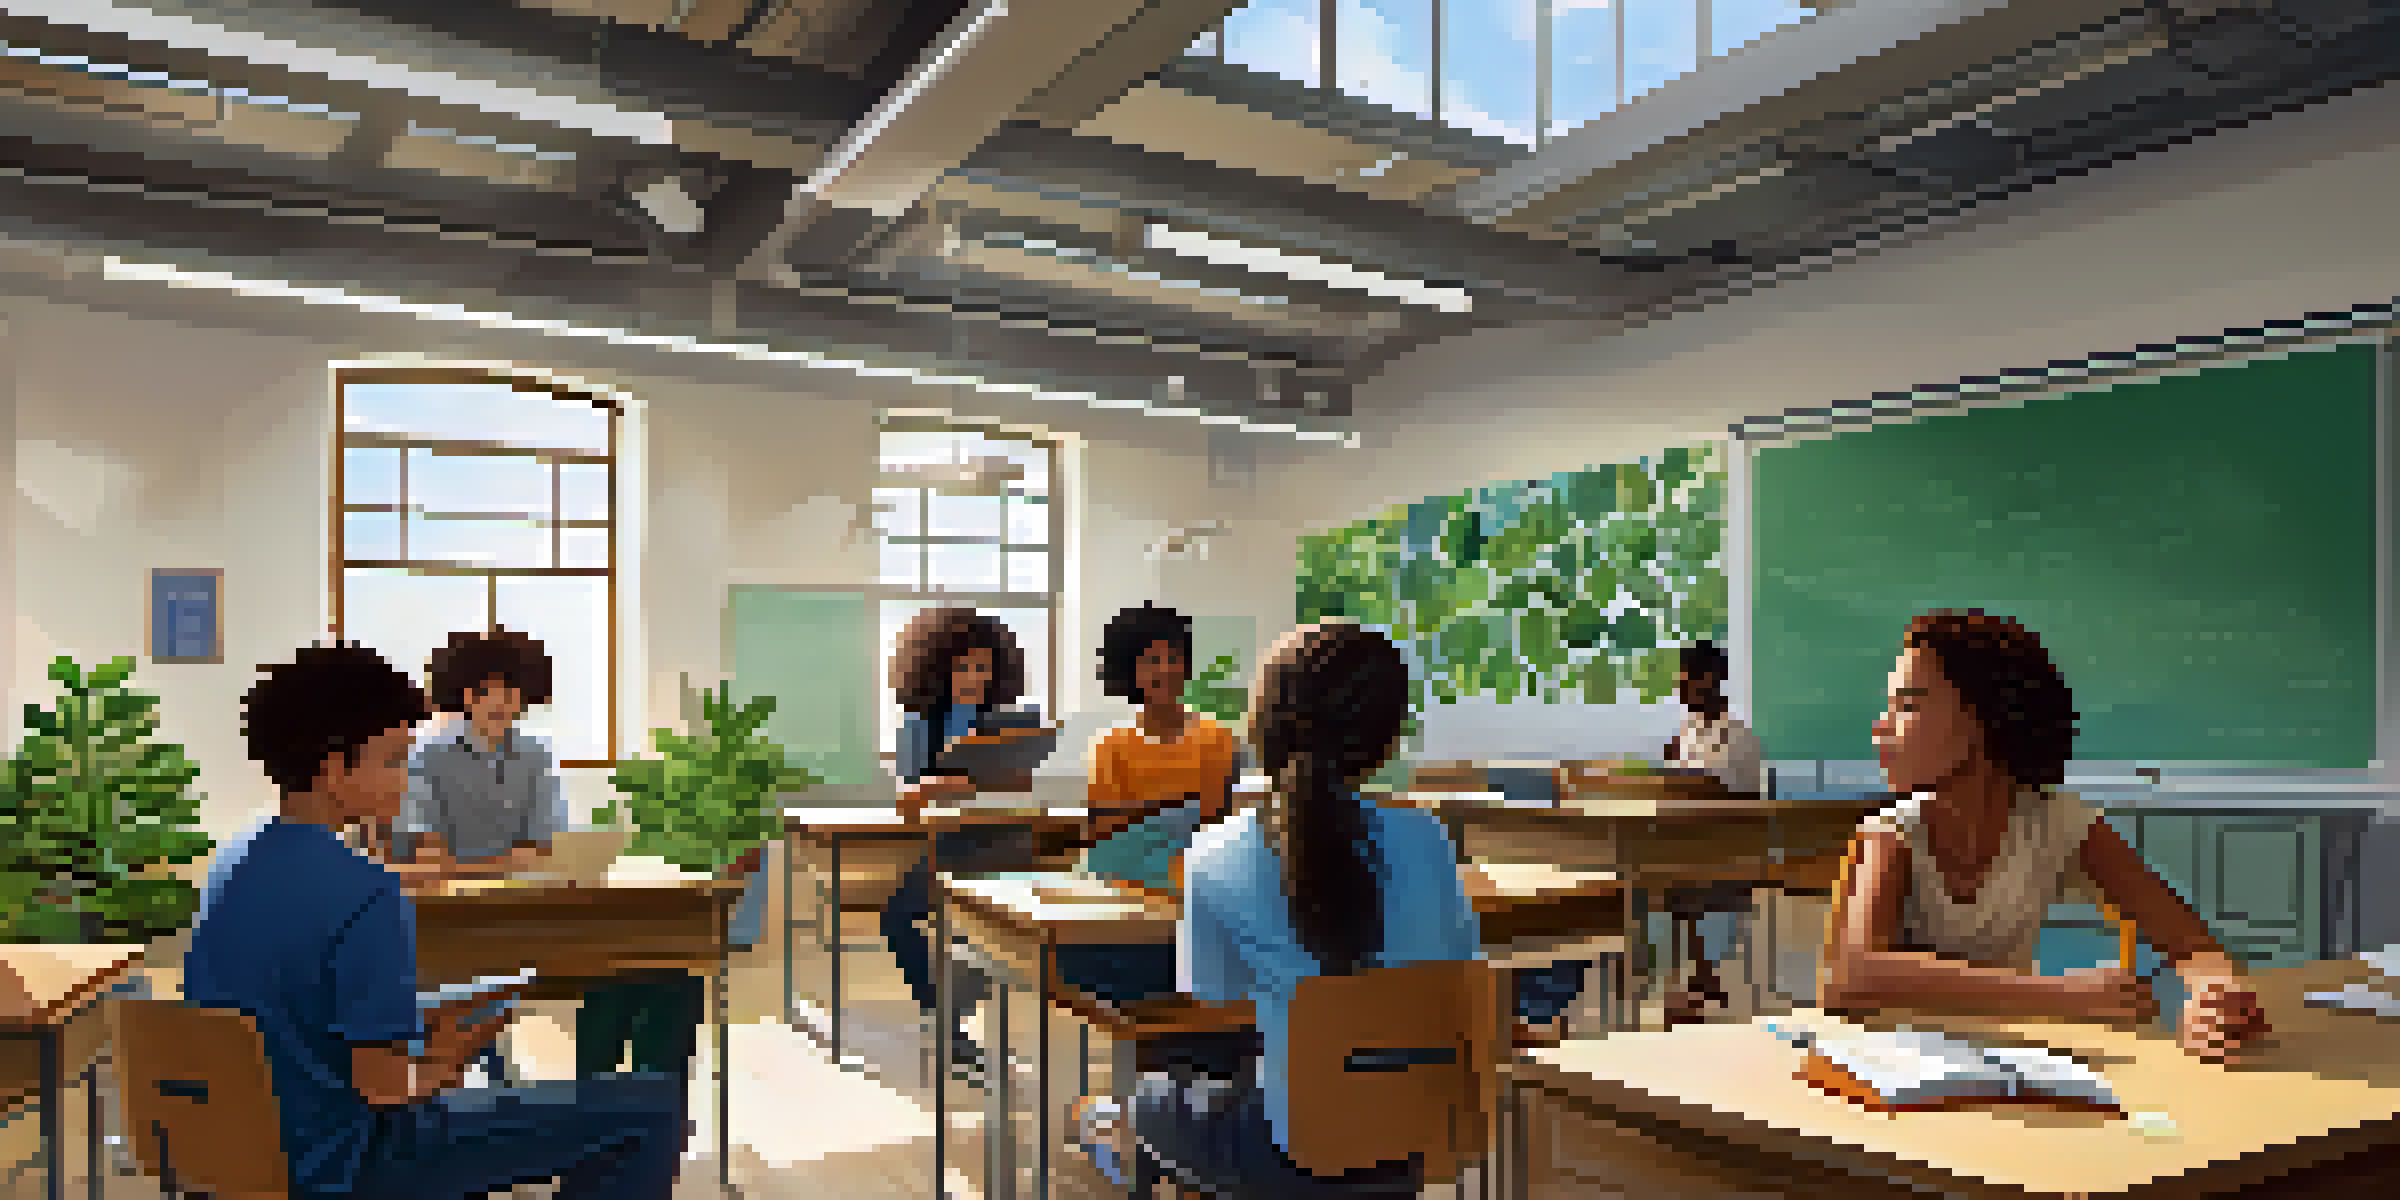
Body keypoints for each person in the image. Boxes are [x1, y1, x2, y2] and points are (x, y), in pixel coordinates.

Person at [183, 642, 687, 1200]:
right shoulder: (367, 892)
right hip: (348, 1161)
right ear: (332, 768)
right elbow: (385, 1088)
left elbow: (297, 1009)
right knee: (651, 1104)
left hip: (250, 1150)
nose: (404, 779)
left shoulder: (233, 862)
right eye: (392, 760)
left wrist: (434, 1014)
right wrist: (447, 1063)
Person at [1083, 622, 1481, 1194]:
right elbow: (1459, 973)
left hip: (1286, 1150)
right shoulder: (1431, 839)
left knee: (1137, 1097)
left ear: (1263, 725)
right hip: (1410, 1139)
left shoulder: (1217, 851)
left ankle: (1106, 1125)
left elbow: (1213, 999)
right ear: (1387, 737)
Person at [1823, 609, 2271, 1063]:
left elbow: (2191, 943)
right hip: (1890, 1065)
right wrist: (2064, 995)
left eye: (1909, 705)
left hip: (2006, 1058)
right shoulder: (1892, 832)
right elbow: (1854, 975)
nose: (1880, 726)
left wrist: (2213, 992)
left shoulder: (2059, 822)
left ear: (1984, 718)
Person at [395, 628, 746, 1084]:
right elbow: (431, 860)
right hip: (460, 919)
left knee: (658, 972)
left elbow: (548, 848)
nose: (498, 703)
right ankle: (595, 1100)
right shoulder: (427, 757)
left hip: (537, 909)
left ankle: (634, 1101)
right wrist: (509, 861)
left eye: (510, 691)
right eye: (484, 691)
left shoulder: (536, 755)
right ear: (462, 694)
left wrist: (512, 860)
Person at [881, 607, 1044, 1084]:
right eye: (962, 667)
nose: (972, 678)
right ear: (936, 668)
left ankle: (952, 1027)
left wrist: (954, 783)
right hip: (948, 848)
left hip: (1001, 847)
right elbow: (908, 796)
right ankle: (945, 1016)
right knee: (899, 919)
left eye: (982, 668)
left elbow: (1018, 785)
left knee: (981, 939)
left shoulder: (1009, 721)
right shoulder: (919, 724)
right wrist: (959, 783)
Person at [1057, 603, 1240, 1013]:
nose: (1165, 671)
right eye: (1151, 661)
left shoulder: (1217, 738)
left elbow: (1213, 820)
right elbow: (1103, 830)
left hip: (1192, 872)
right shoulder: (1111, 745)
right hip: (1123, 878)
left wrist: (1141, 811)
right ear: (1130, 671)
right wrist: (1160, 808)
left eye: (1175, 659)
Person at [1656, 639, 1767, 1026]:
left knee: (1672, 885)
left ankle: (1691, 986)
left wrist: (1682, 781)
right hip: (1687, 847)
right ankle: (1697, 979)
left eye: (1687, 682)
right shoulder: (1687, 733)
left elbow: (1735, 801)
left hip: (1727, 853)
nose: (1681, 691)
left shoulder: (1738, 738)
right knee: (1656, 880)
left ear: (1711, 680)